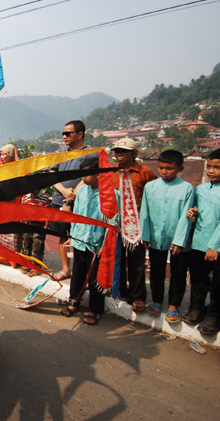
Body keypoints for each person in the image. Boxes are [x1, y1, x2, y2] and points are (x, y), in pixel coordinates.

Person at [184, 148, 220, 335]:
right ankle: (196, 309)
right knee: (198, 279)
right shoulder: (200, 189)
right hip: (198, 243)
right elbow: (195, 209)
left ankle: (215, 316)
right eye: (209, 167)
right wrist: (192, 212)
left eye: (217, 167)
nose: (211, 171)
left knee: (219, 284)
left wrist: (214, 246)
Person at [139, 150, 193, 323]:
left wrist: (180, 240)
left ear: (180, 168)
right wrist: (145, 234)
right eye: (161, 167)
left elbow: (186, 215)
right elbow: (145, 213)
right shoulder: (151, 187)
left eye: (169, 168)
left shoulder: (187, 188)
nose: (164, 171)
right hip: (155, 237)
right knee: (156, 270)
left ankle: (174, 305)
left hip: (177, 237)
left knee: (178, 272)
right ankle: (156, 301)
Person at [60, 157, 112, 325]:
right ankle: (74, 301)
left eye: (86, 174)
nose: (83, 178)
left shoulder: (110, 194)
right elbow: (77, 216)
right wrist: (72, 235)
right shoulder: (82, 191)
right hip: (80, 239)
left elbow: (112, 223)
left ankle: (96, 309)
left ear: (97, 174)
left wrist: (105, 245)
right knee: (78, 273)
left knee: (95, 277)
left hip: (97, 242)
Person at [111, 137, 156, 312]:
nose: (119, 155)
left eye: (124, 152)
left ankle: (137, 296)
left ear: (134, 153)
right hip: (116, 222)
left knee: (137, 261)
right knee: (117, 257)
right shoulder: (111, 171)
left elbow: (152, 198)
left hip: (136, 223)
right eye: (117, 152)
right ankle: (120, 290)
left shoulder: (145, 173)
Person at [49, 120, 91, 282]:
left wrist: (73, 195)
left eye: (68, 133)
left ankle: (84, 274)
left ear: (80, 134)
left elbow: (89, 177)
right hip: (60, 200)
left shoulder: (91, 154)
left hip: (81, 204)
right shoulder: (61, 154)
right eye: (63, 134)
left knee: (81, 238)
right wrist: (64, 191)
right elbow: (52, 174)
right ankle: (66, 268)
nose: (64, 137)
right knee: (61, 236)